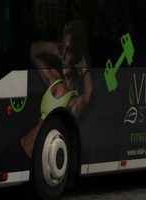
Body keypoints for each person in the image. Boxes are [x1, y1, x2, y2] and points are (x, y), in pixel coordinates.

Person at [20, 19, 94, 158]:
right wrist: (54, 48)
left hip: (31, 156)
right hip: (20, 145)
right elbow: (34, 51)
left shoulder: (74, 101)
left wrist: (85, 68)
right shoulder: (55, 81)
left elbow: (89, 95)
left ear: (78, 58)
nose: (63, 56)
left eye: (69, 51)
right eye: (63, 50)